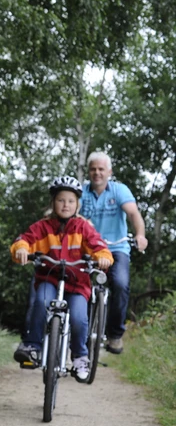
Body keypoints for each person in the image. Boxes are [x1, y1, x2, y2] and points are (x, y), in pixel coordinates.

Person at [11, 176, 112, 381]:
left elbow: (98, 245)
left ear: (77, 205)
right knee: (41, 301)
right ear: (53, 203)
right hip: (49, 278)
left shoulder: (83, 228)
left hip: (77, 284)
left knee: (78, 318)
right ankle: (32, 346)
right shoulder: (42, 227)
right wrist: (21, 250)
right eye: (60, 200)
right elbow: (24, 240)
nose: (65, 205)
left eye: (70, 201)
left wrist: (102, 257)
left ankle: (79, 357)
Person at [79, 151, 148, 354]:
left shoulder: (119, 190)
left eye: (101, 169)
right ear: (88, 172)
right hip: (89, 249)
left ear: (109, 171)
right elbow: (69, 212)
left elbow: (134, 214)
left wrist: (140, 235)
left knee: (120, 283)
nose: (97, 173)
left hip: (117, 248)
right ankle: (76, 331)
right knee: (76, 286)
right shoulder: (80, 192)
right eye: (93, 169)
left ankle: (115, 335)